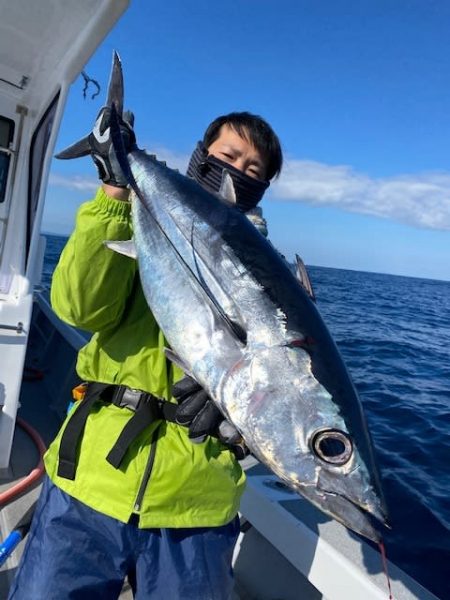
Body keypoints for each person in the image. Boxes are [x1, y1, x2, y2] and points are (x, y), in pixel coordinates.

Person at [8, 109, 283, 600]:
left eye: (254, 171)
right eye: (228, 157)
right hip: (89, 481)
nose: (239, 173)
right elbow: (77, 306)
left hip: (197, 502)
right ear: (201, 156)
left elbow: (280, 388)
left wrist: (242, 412)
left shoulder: (269, 284)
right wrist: (115, 190)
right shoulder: (140, 218)